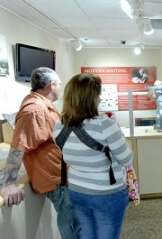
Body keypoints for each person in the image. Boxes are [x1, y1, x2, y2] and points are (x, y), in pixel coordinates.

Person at [0, 67, 81, 239]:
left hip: (63, 175)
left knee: (76, 222)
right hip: (56, 179)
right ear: (52, 85)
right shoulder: (34, 110)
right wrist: (8, 184)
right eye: (59, 84)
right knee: (74, 225)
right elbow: (18, 147)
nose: (60, 87)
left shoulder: (44, 106)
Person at [52, 73, 134, 239]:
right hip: (107, 193)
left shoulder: (59, 125)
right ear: (93, 97)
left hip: (77, 189)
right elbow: (126, 159)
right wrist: (124, 141)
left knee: (87, 233)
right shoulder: (105, 124)